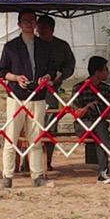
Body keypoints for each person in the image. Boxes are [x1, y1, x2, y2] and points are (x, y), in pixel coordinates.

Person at [0, 10, 48, 187]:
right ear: (19, 24)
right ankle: (7, 175)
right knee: (11, 137)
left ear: (35, 24)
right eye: (25, 21)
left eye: (32, 20)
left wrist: (46, 78)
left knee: (36, 138)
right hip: (16, 98)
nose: (29, 23)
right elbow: (2, 72)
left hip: (38, 97)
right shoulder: (10, 46)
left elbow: (52, 69)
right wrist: (16, 78)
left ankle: (37, 175)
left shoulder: (44, 46)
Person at [67, 55, 110, 183]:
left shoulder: (106, 89)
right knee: (100, 130)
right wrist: (87, 107)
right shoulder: (78, 88)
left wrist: (103, 110)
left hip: (99, 123)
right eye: (105, 70)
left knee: (100, 131)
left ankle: (104, 173)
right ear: (97, 72)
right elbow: (75, 113)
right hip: (83, 124)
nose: (108, 73)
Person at [35, 14, 76, 171]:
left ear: (52, 29)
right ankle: (29, 161)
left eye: (44, 28)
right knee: (32, 123)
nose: (41, 31)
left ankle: (47, 160)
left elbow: (70, 65)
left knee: (51, 124)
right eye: (39, 28)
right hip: (34, 90)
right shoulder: (33, 44)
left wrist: (60, 76)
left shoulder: (61, 46)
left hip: (53, 89)